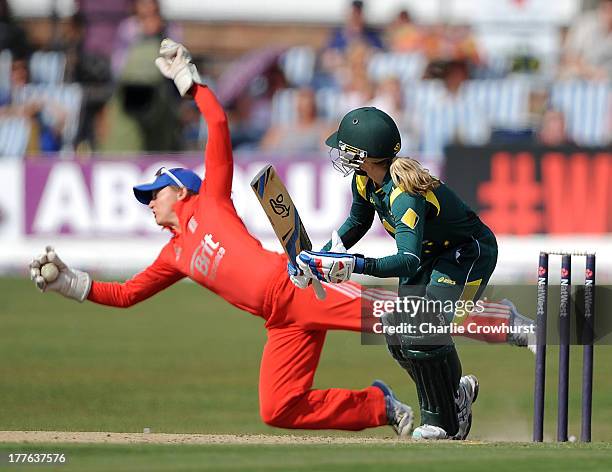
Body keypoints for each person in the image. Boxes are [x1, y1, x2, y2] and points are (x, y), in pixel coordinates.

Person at [28, 38, 414, 437]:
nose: (150, 203)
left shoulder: (211, 200)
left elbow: (216, 123)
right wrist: (70, 284)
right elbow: (126, 295)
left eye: (154, 193)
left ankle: (462, 356)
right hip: (280, 321)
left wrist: (188, 80)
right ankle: (378, 405)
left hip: (297, 287)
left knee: (402, 320)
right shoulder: (173, 254)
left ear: (181, 190)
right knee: (280, 407)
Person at [296, 106, 499, 440]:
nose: (341, 153)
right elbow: (358, 222)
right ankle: (454, 395)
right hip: (429, 256)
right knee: (398, 328)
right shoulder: (365, 179)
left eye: (346, 148)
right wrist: (319, 257)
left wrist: (356, 265)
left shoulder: (405, 194)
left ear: (365, 153)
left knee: (422, 327)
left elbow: (406, 259)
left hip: (465, 255)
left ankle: (443, 424)